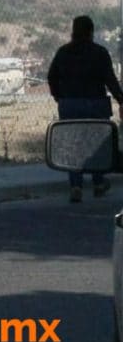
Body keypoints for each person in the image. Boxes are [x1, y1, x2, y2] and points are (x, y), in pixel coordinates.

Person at [48, 15, 123, 203]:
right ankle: (98, 183)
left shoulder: (63, 52)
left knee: (73, 145)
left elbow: (51, 77)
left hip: (70, 105)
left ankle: (76, 185)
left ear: (73, 31)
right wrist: (121, 100)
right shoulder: (100, 53)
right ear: (91, 32)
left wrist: (59, 97)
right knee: (97, 144)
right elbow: (110, 80)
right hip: (96, 104)